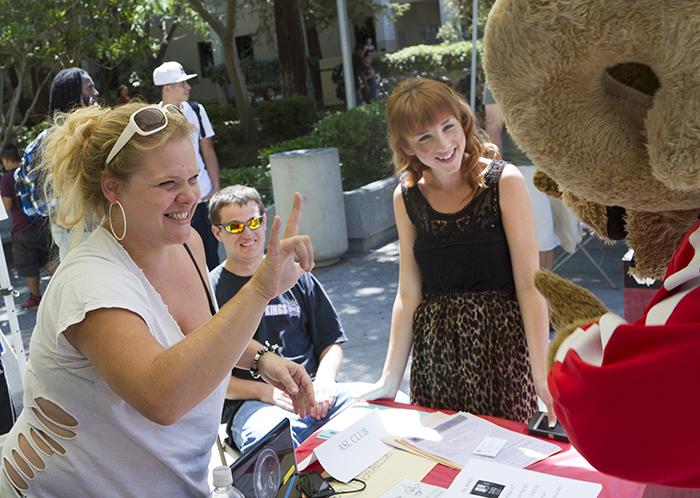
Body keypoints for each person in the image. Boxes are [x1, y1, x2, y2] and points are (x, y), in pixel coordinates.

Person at [0, 102, 315, 498]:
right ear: (112, 188)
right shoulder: (90, 282)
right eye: (168, 184)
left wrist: (262, 359)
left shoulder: (188, 244)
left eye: (193, 176)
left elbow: (201, 336)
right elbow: (162, 397)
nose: (190, 196)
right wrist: (259, 290)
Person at [359, 78, 554, 424]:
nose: (444, 143)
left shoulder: (503, 181)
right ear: (406, 147)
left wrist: (541, 373)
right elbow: (408, 293)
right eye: (425, 138)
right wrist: (389, 378)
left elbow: (529, 284)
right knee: (441, 463)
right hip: (435, 356)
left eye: (448, 127)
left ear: (462, 121)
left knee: (504, 459)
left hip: (501, 351)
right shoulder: (406, 199)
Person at [209, 185, 353, 454]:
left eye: (254, 222)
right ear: (218, 232)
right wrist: (265, 392)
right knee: (274, 447)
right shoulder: (209, 291)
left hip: (315, 392)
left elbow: (331, 341)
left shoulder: (296, 275)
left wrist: (324, 380)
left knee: (376, 414)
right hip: (255, 404)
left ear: (265, 221)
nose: (248, 233)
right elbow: (212, 379)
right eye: (235, 227)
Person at [17, 67, 100, 261]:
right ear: (72, 94)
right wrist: (73, 205)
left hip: (106, 232)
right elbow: (37, 204)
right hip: (78, 238)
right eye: (89, 88)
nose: (96, 93)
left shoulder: (97, 134)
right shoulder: (47, 143)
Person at [484, 82, 563, 269]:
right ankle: (537, 296)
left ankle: (542, 295)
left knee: (551, 240)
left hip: (556, 169)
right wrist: (499, 175)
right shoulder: (500, 74)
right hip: (523, 168)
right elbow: (493, 126)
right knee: (541, 244)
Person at [153, 60, 221, 270]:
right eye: (182, 84)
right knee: (181, 255)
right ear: (167, 88)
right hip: (177, 201)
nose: (188, 87)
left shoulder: (196, 110)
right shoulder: (153, 117)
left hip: (204, 194)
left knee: (211, 254)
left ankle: (214, 300)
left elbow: (207, 148)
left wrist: (216, 187)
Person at [0, 143, 57, 308]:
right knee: (46, 259)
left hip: (22, 228)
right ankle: (69, 284)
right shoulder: (31, 171)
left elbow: (8, 205)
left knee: (28, 263)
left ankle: (35, 296)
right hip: (42, 222)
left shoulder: (7, 178)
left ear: (6, 160)